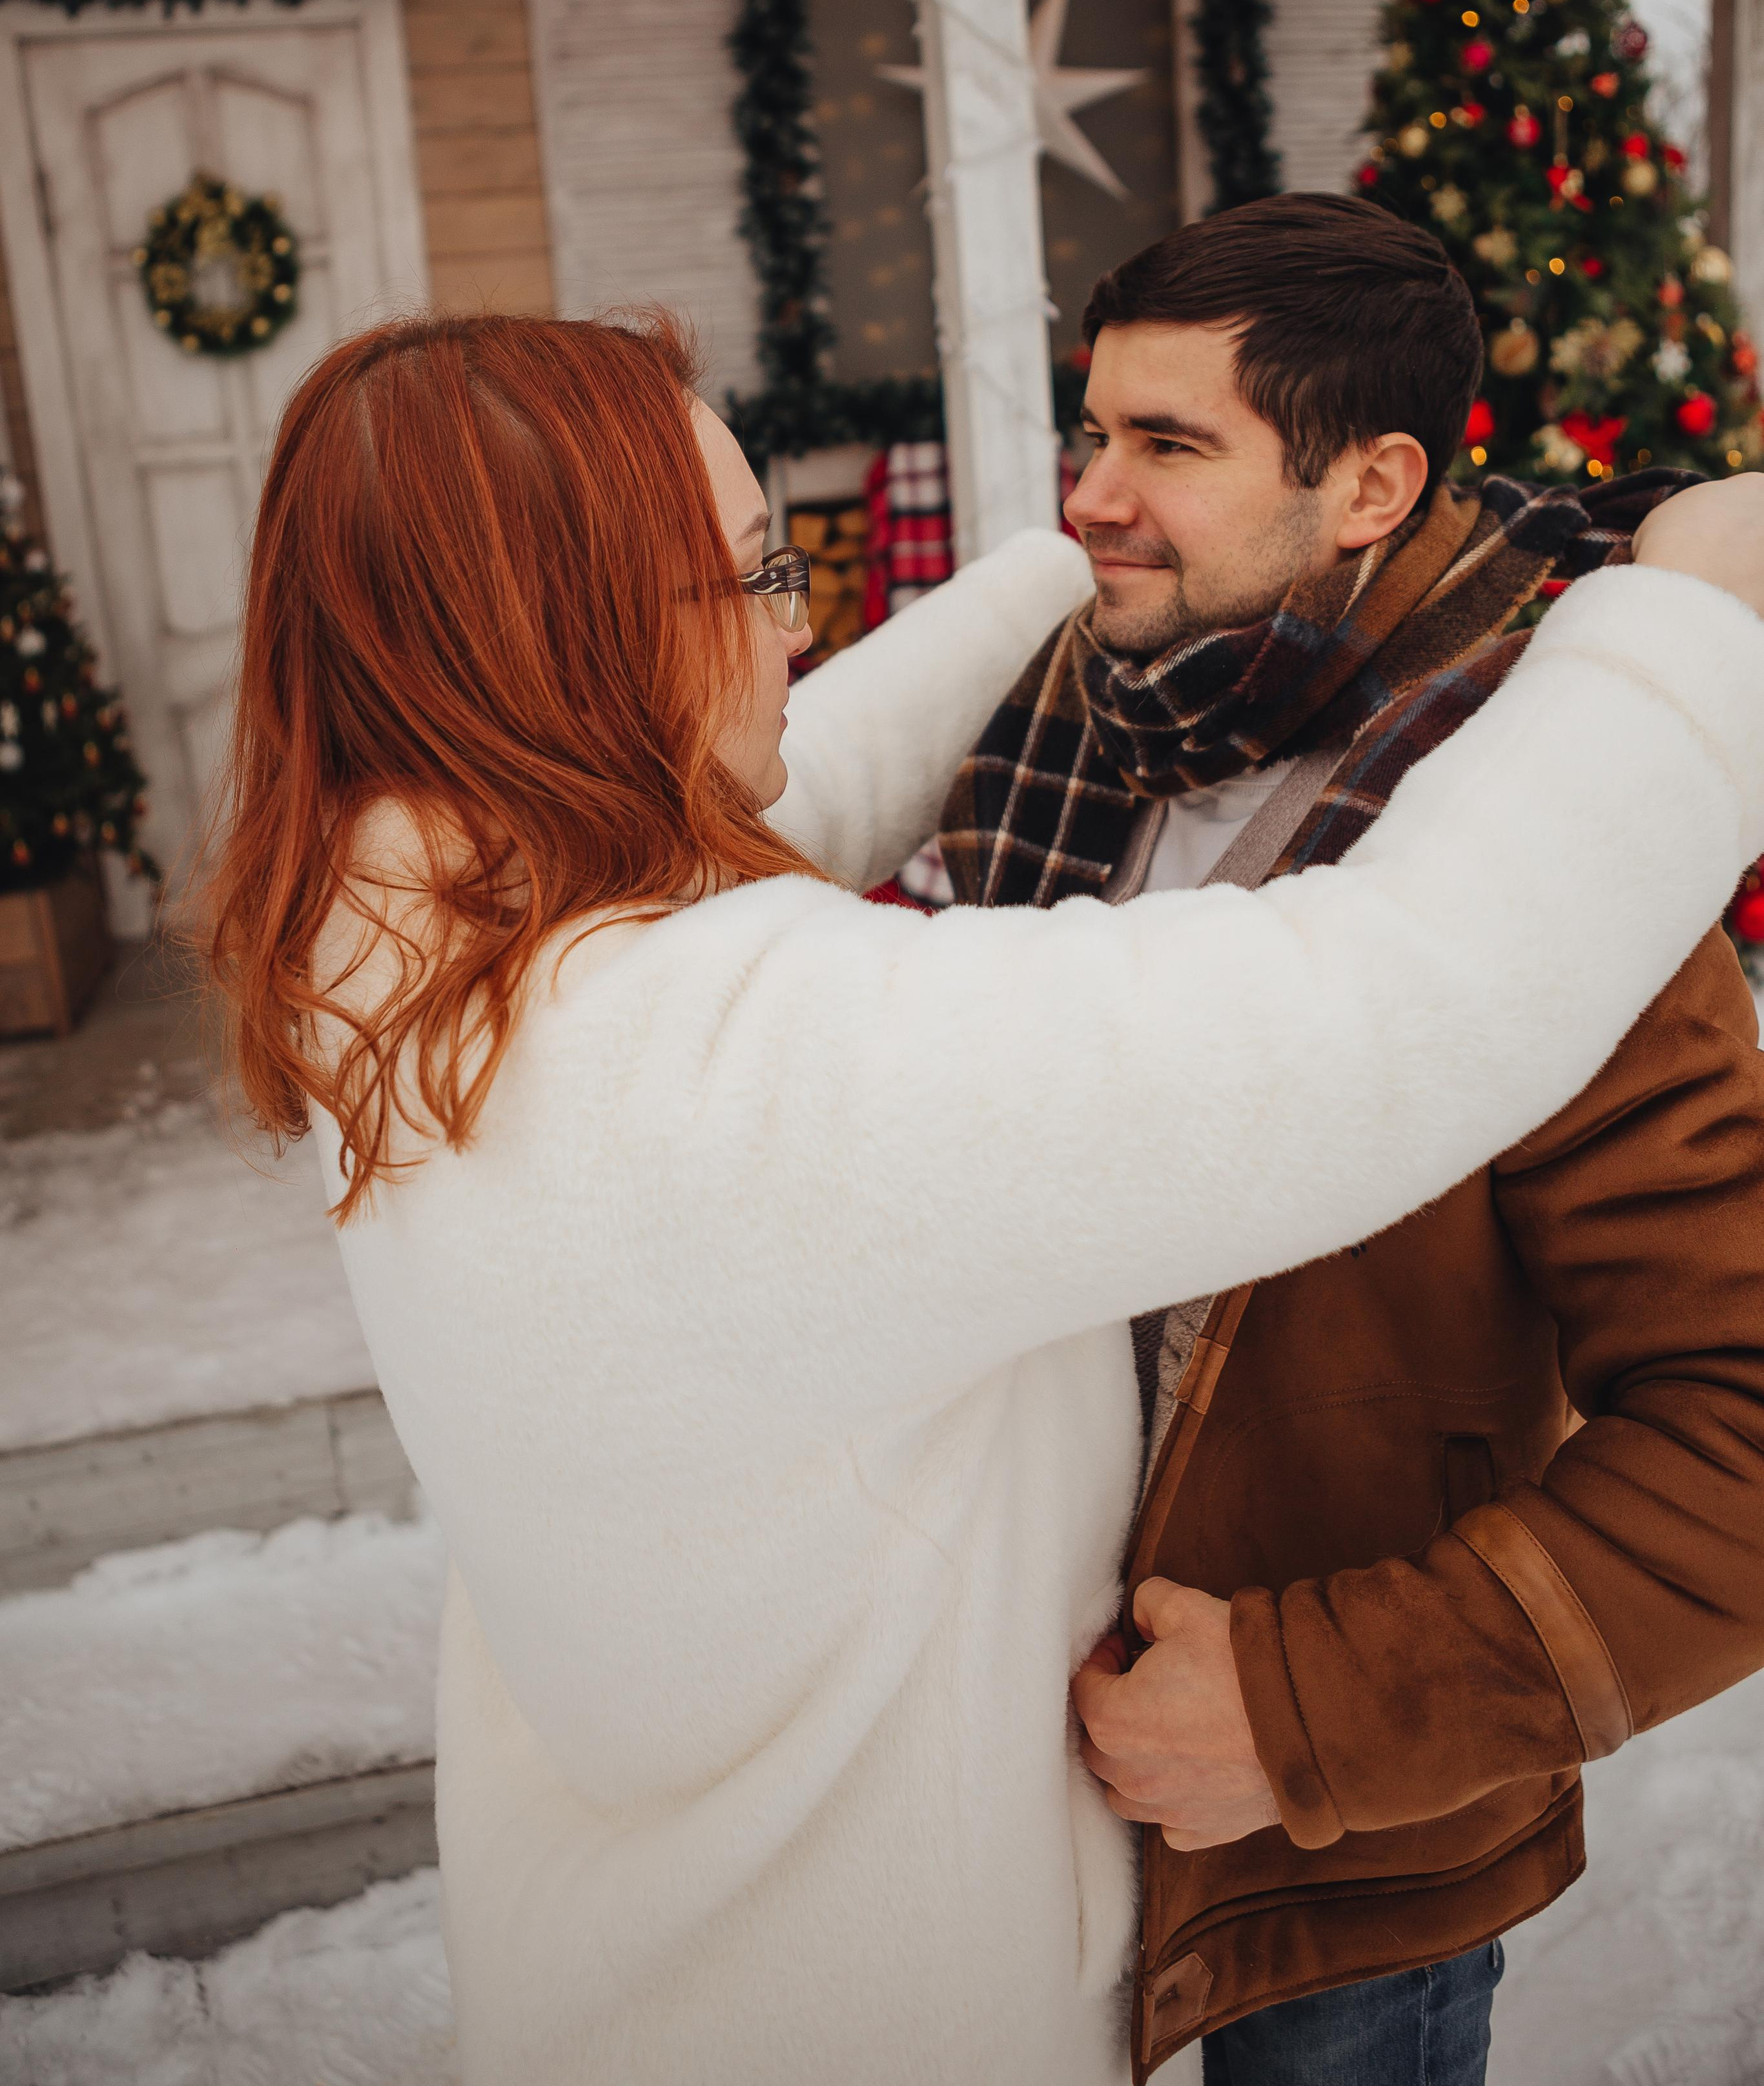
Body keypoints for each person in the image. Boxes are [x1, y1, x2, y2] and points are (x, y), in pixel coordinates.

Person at [205, 305, 1764, 2086]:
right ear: (573, 657)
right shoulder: (733, 1077)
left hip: (626, 1970)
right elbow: (1390, 1011)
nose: (801, 625)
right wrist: (1690, 637)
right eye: (753, 575)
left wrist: (1096, 550)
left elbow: (811, 762)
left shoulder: (400, 929)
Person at [936, 192, 1764, 2086]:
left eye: (1169, 445)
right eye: (1095, 431)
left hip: (1334, 1852)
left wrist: (1308, 1710)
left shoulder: (1555, 841)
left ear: (1372, 482)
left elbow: (1747, 1427)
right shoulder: (1077, 723)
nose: (1088, 498)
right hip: (1018, 1768)